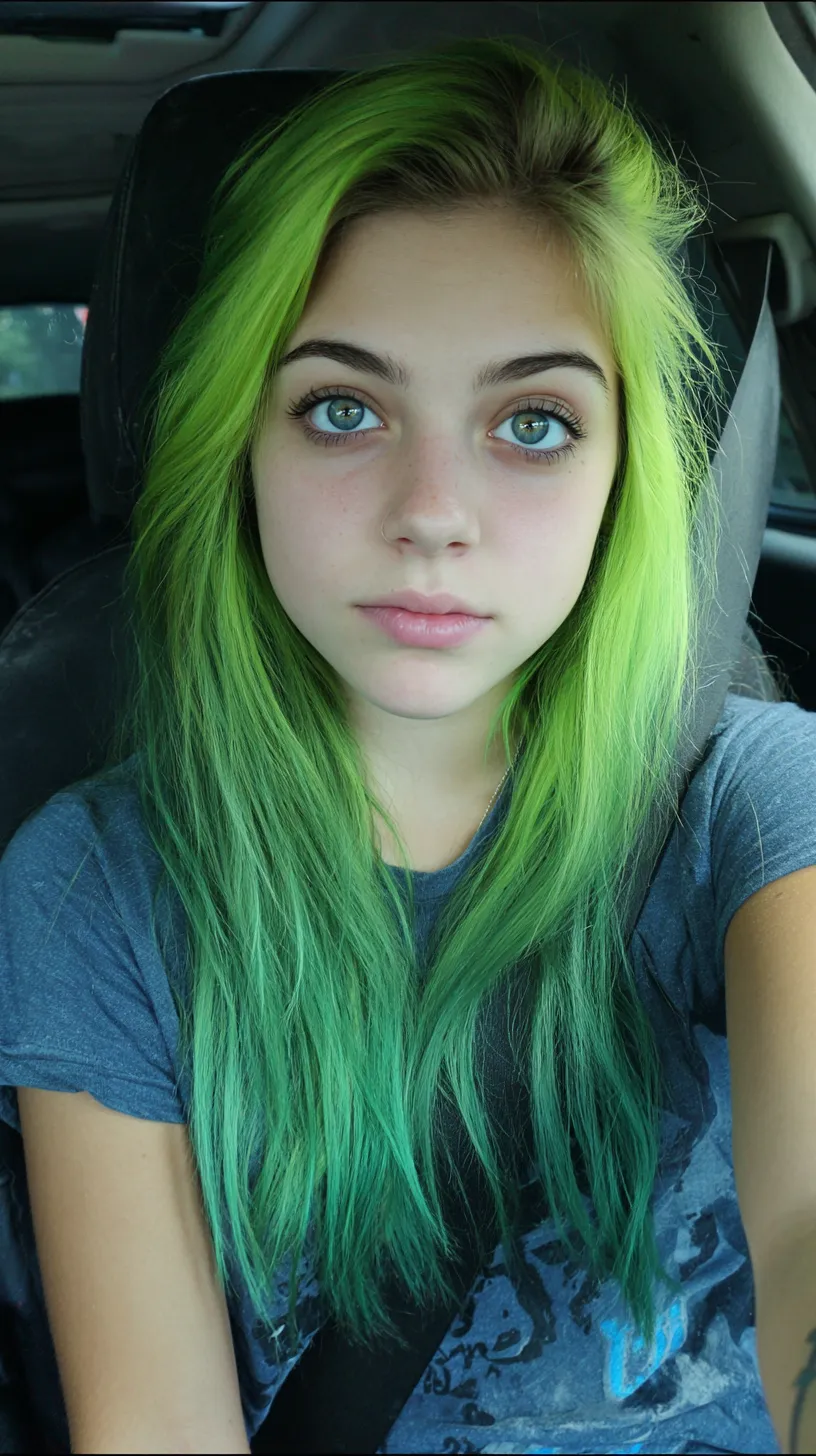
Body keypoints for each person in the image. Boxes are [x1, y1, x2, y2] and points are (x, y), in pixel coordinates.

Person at [0, 34, 813, 1456]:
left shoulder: (757, 805)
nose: (432, 509)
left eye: (535, 422)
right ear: (234, 442)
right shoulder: (98, 894)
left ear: (629, 477)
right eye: (341, 408)